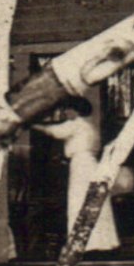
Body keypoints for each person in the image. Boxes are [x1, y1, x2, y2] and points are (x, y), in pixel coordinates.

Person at [36, 95, 121, 253]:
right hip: (91, 165)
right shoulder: (90, 126)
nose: (66, 112)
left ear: (76, 111)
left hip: (82, 166)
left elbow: (54, 132)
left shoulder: (76, 125)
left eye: (68, 109)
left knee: (79, 202)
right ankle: (99, 243)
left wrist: (34, 125)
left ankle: (86, 245)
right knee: (91, 201)